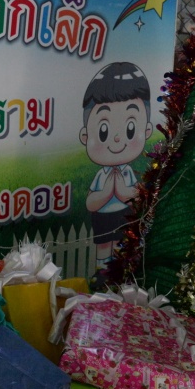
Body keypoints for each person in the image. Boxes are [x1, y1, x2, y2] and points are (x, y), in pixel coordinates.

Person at [79, 62, 152, 287]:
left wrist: (121, 192)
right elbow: (90, 202)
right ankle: (102, 272)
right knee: (103, 244)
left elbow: (136, 196)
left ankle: (119, 272)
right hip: (102, 216)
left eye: (130, 128)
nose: (118, 139)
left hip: (123, 214)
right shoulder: (102, 175)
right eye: (104, 131)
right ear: (85, 136)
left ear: (147, 131)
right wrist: (104, 194)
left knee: (121, 243)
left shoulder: (128, 172)